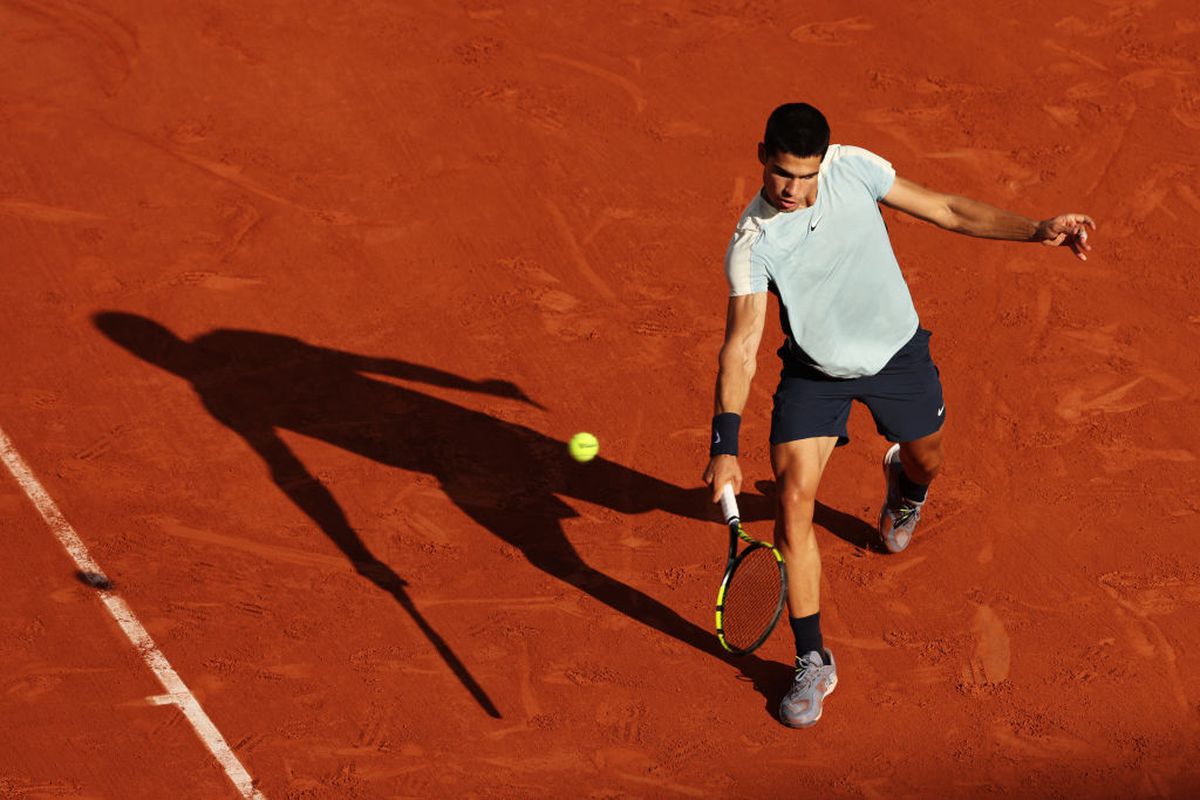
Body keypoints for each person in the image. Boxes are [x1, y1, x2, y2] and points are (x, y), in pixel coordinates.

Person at [701, 103, 1094, 728]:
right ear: (761, 157)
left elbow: (946, 208)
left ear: (823, 162)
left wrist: (1034, 228)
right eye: (781, 174)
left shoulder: (853, 168)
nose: (793, 190)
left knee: (928, 455)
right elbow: (742, 345)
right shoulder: (752, 243)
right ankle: (812, 659)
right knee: (794, 503)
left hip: (897, 355)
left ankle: (905, 488)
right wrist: (725, 442)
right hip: (815, 375)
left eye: (804, 175)